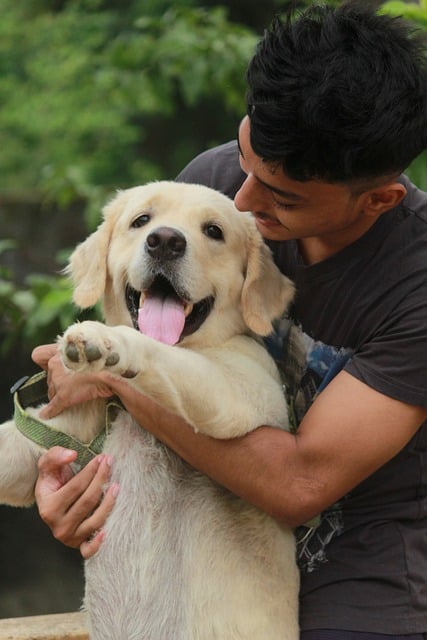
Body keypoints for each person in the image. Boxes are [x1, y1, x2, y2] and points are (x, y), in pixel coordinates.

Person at [32, 2, 427, 638]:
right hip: (193, 527)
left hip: (358, 580)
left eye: (283, 197)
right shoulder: (211, 189)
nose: (241, 202)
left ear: (380, 198)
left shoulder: (417, 286)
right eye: (247, 158)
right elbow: (130, 353)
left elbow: (298, 482)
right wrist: (70, 481)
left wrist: (113, 376)